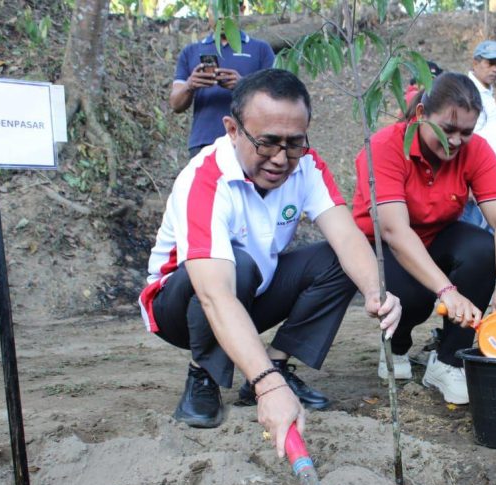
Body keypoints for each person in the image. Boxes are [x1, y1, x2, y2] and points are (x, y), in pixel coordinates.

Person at [139, 69, 402, 456]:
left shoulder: (308, 167)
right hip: (182, 305)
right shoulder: (205, 179)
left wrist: (376, 292)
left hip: (252, 293)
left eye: (294, 143)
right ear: (232, 129)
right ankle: (204, 374)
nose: (281, 158)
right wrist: (269, 388)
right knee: (239, 266)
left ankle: (277, 362)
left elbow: (347, 238)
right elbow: (214, 294)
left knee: (337, 261)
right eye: (267, 143)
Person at [352, 72, 496, 404]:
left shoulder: (475, 150)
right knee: (411, 294)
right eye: (447, 130)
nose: (456, 141)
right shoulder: (386, 146)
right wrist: (446, 290)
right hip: (385, 246)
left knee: (482, 251)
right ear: (420, 116)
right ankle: (397, 345)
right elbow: (394, 231)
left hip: (436, 235)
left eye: (466, 133)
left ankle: (449, 360)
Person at [169, 1, 275, 157]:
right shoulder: (191, 51)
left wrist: (243, 86)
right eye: (216, 9)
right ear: (208, 12)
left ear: (241, 10)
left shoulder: (260, 49)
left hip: (250, 140)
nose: (222, 16)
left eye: (228, 9)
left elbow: (276, 99)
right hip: (204, 141)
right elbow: (175, 105)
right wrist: (190, 85)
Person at [461, 40, 496, 231]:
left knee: (487, 235)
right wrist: (467, 182)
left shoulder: (486, 93)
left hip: (490, 179)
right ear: (475, 63)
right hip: (475, 183)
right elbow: (463, 139)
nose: (495, 69)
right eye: (489, 63)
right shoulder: (468, 92)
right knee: (471, 234)